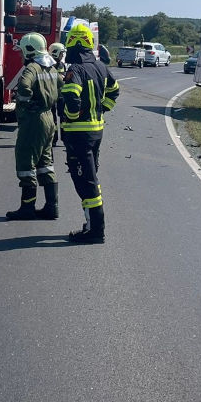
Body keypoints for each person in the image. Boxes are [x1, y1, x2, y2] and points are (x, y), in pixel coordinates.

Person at [59, 22, 120, 243]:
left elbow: (71, 98)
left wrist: (71, 116)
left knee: (85, 182)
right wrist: (101, 109)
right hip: (96, 132)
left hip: (79, 135)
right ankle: (91, 225)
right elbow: (114, 91)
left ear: (72, 44)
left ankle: (95, 231)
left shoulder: (75, 69)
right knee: (90, 177)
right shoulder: (101, 66)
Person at [6, 33, 60, 220]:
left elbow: (24, 87)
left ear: (30, 51)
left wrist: (26, 102)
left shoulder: (32, 68)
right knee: (45, 163)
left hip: (34, 120)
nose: (20, 55)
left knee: (26, 162)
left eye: (21, 51)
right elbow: (62, 85)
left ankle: (27, 208)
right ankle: (52, 207)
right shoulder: (52, 68)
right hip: (49, 118)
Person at [48, 42, 67, 145]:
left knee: (63, 117)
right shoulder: (48, 65)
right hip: (52, 95)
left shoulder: (62, 65)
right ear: (55, 53)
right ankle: (53, 139)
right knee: (52, 118)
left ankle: (65, 138)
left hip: (61, 95)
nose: (62, 55)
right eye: (61, 53)